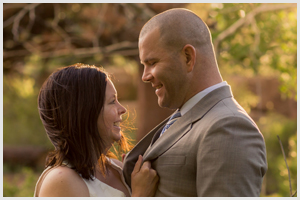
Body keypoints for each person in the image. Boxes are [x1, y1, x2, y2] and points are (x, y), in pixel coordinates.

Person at [123, 8, 267, 197]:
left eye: (152, 63)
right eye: (144, 65)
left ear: (188, 57)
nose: (145, 76)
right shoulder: (188, 116)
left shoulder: (230, 127)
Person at [34, 63, 158, 197]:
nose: (123, 109)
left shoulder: (117, 168)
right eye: (112, 101)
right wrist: (141, 195)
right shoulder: (61, 181)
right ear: (85, 112)